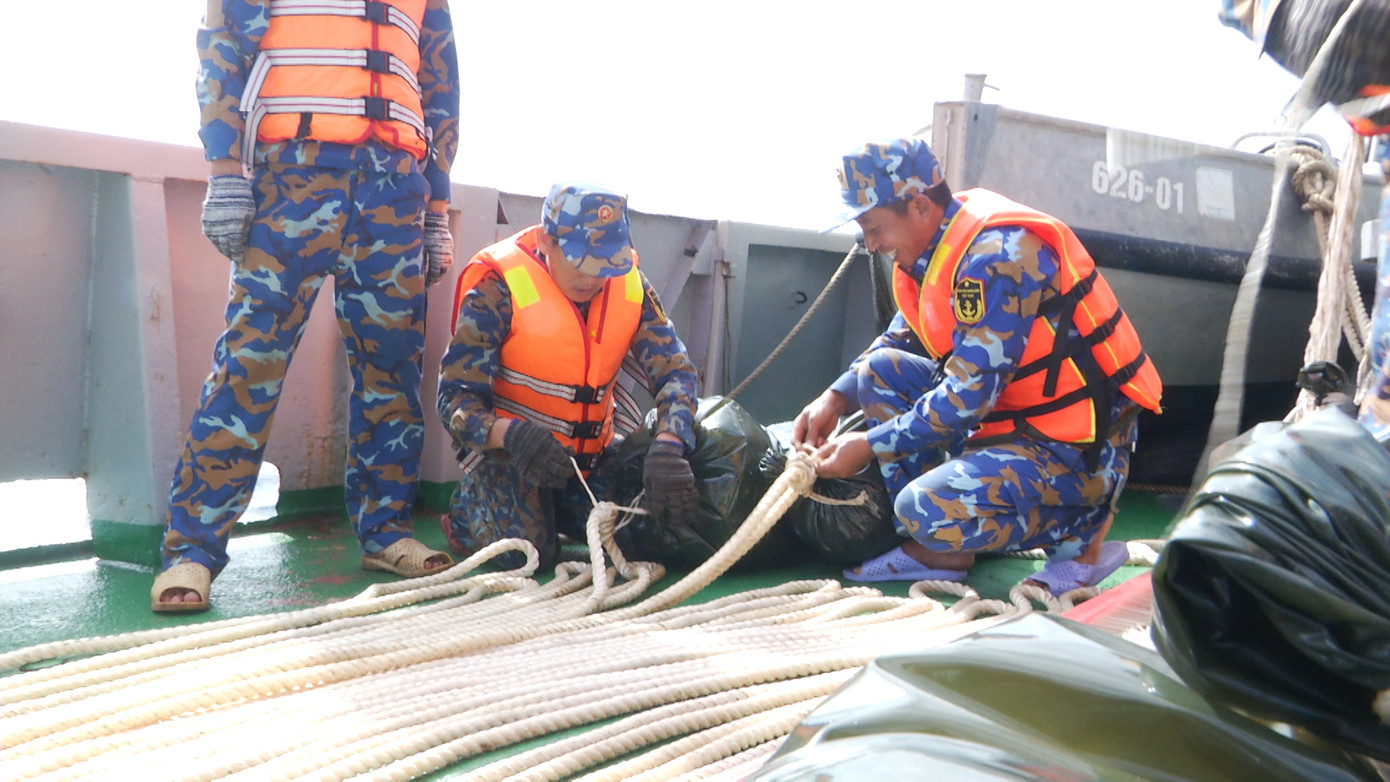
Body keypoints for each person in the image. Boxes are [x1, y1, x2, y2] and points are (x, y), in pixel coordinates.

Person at [152, 0, 461, 613]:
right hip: (290, 175)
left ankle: (386, 531)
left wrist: (436, 207)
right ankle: (193, 549)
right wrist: (225, 171)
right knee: (249, 363)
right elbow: (222, 47)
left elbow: (440, 87)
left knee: (393, 368)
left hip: (396, 187)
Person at [793, 138, 1163, 593]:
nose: (871, 244)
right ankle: (940, 548)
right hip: (1013, 420)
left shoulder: (997, 258)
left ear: (919, 206)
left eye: (874, 227)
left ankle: (1082, 531)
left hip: (1076, 450)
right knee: (879, 372)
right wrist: (834, 396)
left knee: (921, 506)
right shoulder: (934, 250)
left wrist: (869, 444)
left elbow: (966, 398)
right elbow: (899, 336)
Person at [437, 182, 701, 572]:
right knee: (526, 556)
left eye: (605, 264)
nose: (593, 278)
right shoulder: (497, 286)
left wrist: (668, 445)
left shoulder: (631, 285)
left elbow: (675, 370)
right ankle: (467, 510)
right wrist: (511, 436)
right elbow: (454, 401)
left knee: (654, 534)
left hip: (589, 465)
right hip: (514, 460)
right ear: (547, 240)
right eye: (581, 261)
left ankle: (556, 516)